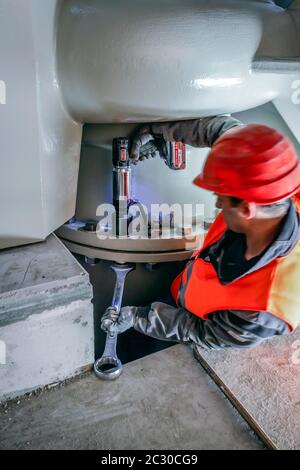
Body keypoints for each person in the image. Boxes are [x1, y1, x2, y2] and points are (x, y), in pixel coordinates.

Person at [101, 115, 300, 352]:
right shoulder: (274, 190)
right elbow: (223, 132)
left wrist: (137, 318)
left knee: (144, 349)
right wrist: (159, 131)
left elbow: (201, 331)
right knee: (135, 340)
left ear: (247, 208)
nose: (217, 205)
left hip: (199, 321)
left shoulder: (266, 308)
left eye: (221, 198)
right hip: (188, 291)